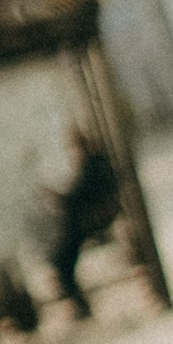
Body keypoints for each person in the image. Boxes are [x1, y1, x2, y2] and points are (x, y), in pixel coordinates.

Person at [43, 132, 122, 319]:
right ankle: (77, 302)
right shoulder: (96, 164)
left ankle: (80, 304)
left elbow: (76, 197)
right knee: (62, 260)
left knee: (62, 261)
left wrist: (56, 197)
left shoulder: (94, 167)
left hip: (89, 223)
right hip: (87, 222)